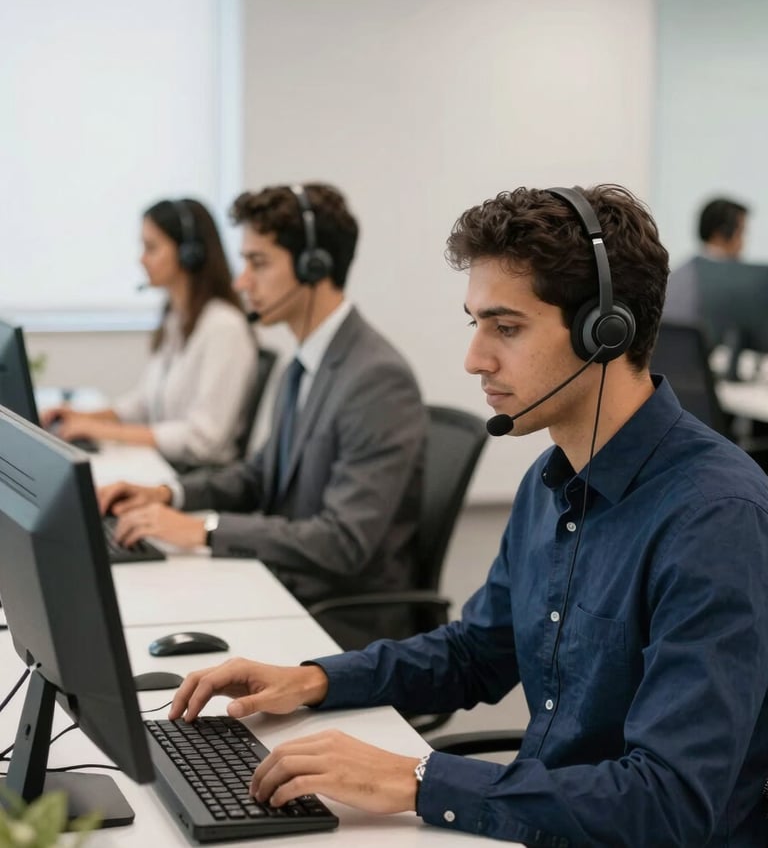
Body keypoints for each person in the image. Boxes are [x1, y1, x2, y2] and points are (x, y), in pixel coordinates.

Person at [168, 185, 768, 847]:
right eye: (474, 323)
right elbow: (476, 652)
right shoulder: (554, 479)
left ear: (607, 331)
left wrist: (420, 779)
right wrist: (313, 680)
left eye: (505, 328)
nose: (474, 359)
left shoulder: (715, 519)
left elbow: (669, 804)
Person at [98, 183, 426, 648]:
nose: (240, 281)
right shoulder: (306, 362)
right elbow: (257, 477)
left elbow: (343, 541)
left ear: (316, 267)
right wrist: (166, 493)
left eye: (258, 263)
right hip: (287, 587)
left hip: (342, 625)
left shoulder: (375, 378)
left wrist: (205, 530)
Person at [41, 198, 257, 469]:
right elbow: (145, 403)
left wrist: (101, 431)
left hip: (195, 476)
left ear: (189, 253)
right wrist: (86, 417)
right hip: (165, 464)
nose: (142, 259)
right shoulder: (177, 318)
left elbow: (205, 439)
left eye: (152, 248)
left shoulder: (224, 327)